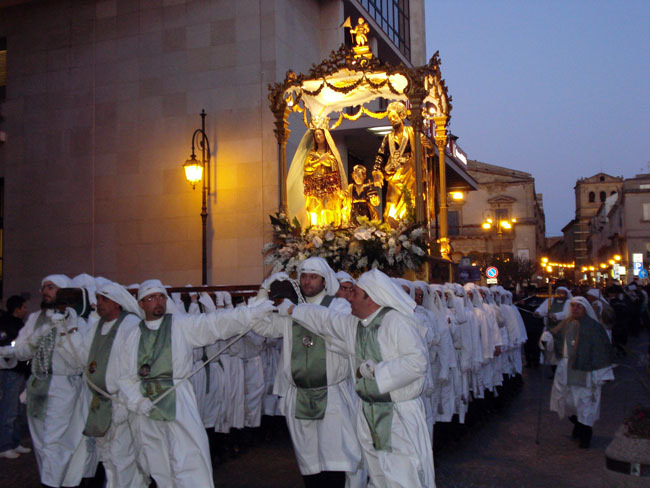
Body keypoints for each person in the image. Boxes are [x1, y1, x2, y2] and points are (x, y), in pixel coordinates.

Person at [281, 268, 435, 487]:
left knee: (403, 476)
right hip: (368, 413)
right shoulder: (357, 324)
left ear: (371, 297)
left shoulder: (396, 322)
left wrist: (376, 371)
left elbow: (417, 362)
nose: (348, 297)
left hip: (397, 415)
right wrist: (293, 310)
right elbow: (326, 320)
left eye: (354, 292)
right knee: (378, 475)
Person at [116, 279, 273, 488]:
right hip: (146, 408)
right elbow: (125, 377)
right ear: (141, 304)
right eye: (151, 298)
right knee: (157, 462)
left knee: (189, 456)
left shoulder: (180, 325)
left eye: (161, 296)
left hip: (178, 399)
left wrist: (250, 313)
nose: (158, 302)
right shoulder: (133, 336)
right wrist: (137, 402)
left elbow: (215, 323)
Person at [251, 257, 365, 488]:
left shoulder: (338, 306)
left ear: (325, 280)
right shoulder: (288, 309)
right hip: (300, 396)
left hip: (331, 396)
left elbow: (335, 326)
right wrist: (264, 291)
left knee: (335, 459)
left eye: (313, 276)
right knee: (309, 462)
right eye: (303, 276)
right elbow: (262, 326)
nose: (307, 281)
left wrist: (295, 310)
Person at [0, 275, 97, 487]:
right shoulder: (36, 318)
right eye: (43, 287)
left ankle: (52, 483)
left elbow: (81, 358)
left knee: (55, 440)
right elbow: (23, 352)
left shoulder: (77, 319)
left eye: (51, 287)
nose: (46, 291)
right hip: (37, 385)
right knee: (41, 442)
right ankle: (52, 478)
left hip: (63, 385)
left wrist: (67, 328)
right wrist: (36, 338)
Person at [60, 281, 147, 488]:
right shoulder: (97, 325)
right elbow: (83, 358)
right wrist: (69, 332)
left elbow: (134, 367)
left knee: (122, 456)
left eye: (104, 299)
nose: (99, 303)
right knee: (107, 456)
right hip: (99, 402)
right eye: (98, 299)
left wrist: (126, 402)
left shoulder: (131, 324)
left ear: (117, 303)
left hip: (121, 402)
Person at [548, 296, 614, 448]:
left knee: (584, 402)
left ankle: (585, 435)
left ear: (585, 308)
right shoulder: (567, 323)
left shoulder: (594, 327)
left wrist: (602, 373)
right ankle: (578, 425)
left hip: (585, 371)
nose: (575, 309)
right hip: (567, 369)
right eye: (573, 306)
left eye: (579, 306)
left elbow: (601, 351)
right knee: (569, 401)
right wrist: (547, 337)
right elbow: (555, 335)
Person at [372, 101, 431, 225]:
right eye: (389, 118)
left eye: (394, 117)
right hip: (393, 176)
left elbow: (427, 151)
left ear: (402, 116)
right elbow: (380, 155)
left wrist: (428, 147)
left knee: (409, 205)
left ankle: (407, 231)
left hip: (410, 174)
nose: (392, 120)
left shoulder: (413, 133)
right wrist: (377, 170)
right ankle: (390, 232)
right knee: (390, 207)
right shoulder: (388, 137)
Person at [0, 295, 31, 459]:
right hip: (11, 371)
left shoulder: (20, 324)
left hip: (21, 370)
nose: (26, 310)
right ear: (16, 308)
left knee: (18, 410)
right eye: (24, 307)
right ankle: (4, 445)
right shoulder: (7, 324)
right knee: (9, 409)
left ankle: (14, 441)